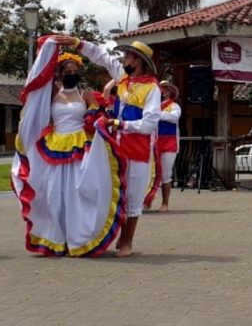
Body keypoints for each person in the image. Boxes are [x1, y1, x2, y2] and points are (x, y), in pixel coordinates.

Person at [11, 36, 127, 257]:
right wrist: (47, 52)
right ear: (59, 73)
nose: (71, 74)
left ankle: (78, 238)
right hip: (54, 146)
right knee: (53, 194)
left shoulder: (86, 94)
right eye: (67, 71)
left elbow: (98, 116)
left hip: (80, 147)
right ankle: (57, 239)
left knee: (77, 193)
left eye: (74, 71)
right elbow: (35, 89)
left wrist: (94, 116)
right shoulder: (51, 93)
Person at [78, 36, 161, 258]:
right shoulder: (123, 78)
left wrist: (120, 124)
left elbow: (149, 124)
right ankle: (115, 234)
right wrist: (78, 44)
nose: (123, 59)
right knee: (115, 192)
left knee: (133, 196)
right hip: (115, 147)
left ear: (138, 61)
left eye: (128, 56)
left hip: (137, 150)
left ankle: (127, 241)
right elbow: (102, 57)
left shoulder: (152, 88)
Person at [146, 80, 181, 212]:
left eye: (164, 89)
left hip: (169, 143)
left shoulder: (174, 106)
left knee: (166, 174)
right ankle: (147, 201)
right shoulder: (155, 106)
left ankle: (165, 203)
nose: (162, 92)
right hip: (155, 142)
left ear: (169, 92)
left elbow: (174, 117)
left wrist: (157, 114)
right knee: (151, 173)